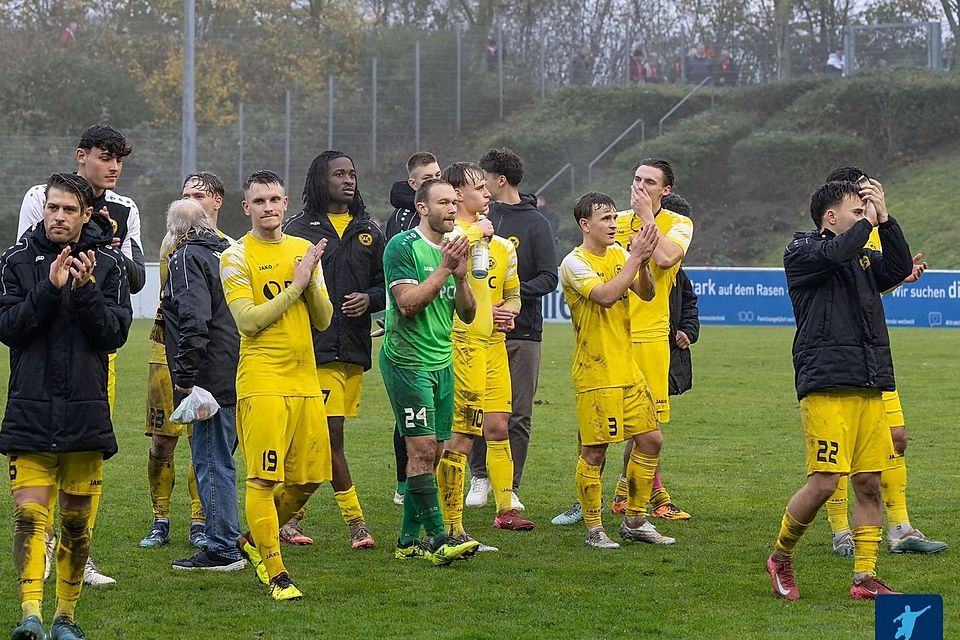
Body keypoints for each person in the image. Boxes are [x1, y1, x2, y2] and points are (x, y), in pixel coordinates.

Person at [766, 179, 912, 601]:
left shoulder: (863, 257)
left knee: (868, 482)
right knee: (826, 482)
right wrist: (868, 225)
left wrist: (886, 221)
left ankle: (864, 578)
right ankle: (781, 556)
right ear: (831, 217)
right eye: (856, 210)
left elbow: (899, 269)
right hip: (826, 382)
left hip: (869, 381)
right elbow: (836, 251)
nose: (863, 216)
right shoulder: (803, 251)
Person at [1, 173, 132, 640]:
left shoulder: (109, 265)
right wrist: (50, 288)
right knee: (29, 518)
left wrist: (84, 289)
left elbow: (113, 335)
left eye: (69, 210)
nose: (59, 216)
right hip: (30, 411)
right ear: (44, 209)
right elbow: (10, 328)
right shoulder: (16, 261)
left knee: (75, 526)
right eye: (53, 208)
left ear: (84, 216)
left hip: (85, 413)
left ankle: (65, 619)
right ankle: (30, 615)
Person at [18, 123, 145, 587]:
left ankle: (78, 550)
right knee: (40, 446)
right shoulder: (40, 196)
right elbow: (27, 260)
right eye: (105, 156)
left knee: (86, 449)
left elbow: (134, 277)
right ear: (80, 156)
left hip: (92, 344)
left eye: (119, 159)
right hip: (45, 343)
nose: (114, 166)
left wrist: (105, 252)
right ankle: (44, 546)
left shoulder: (125, 208)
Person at [552, 159, 694, 526]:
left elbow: (664, 258)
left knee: (647, 429)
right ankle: (588, 502)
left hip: (649, 336)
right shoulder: (614, 221)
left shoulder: (677, 223)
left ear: (665, 190)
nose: (640, 186)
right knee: (594, 428)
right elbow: (595, 261)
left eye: (650, 181)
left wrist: (647, 220)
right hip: (607, 341)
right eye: (636, 179)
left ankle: (632, 500)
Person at [819, 167, 946, 557]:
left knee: (897, 437)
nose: (865, 204)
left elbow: (874, 283)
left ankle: (901, 528)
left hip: (874, 361)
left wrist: (899, 278)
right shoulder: (826, 241)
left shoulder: (870, 230)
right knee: (838, 455)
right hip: (839, 362)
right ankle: (841, 531)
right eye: (858, 197)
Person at [220, 170, 334, 601]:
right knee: (264, 479)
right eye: (258, 201)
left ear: (285, 203)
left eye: (274, 199)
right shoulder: (235, 256)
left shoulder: (304, 250)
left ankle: (253, 538)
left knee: (310, 478)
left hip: (305, 380)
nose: (268, 207)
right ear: (246, 208)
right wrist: (295, 286)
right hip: (263, 380)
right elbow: (248, 322)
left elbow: (323, 320)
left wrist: (310, 280)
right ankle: (275, 571)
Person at [281, 151, 384, 549]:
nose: (348, 180)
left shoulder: (370, 231)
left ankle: (288, 519)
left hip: (353, 351)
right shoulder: (298, 230)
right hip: (315, 350)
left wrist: (370, 299)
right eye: (339, 173)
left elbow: (384, 283)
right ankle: (356, 524)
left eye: (352, 173)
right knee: (330, 440)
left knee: (317, 443)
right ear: (319, 180)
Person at [381, 178, 481, 564]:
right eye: (443, 203)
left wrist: (460, 276)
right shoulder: (402, 247)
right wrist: (443, 269)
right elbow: (406, 304)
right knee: (420, 449)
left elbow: (468, 314)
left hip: (442, 361)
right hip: (407, 361)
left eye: (455, 202)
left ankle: (407, 541)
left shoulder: (455, 249)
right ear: (422, 208)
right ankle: (440, 538)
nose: (452, 209)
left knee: (435, 452)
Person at [436, 162, 533, 549]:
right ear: (458, 195)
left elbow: (513, 293)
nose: (487, 193)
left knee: (498, 425)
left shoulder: (502, 246)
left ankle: (505, 507)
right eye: (479, 188)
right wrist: (478, 231)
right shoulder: (449, 236)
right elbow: (448, 267)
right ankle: (452, 523)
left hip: (493, 345)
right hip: (460, 344)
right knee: (462, 433)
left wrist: (510, 310)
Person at [140, 172, 227, 551]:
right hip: (165, 353)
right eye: (186, 194)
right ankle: (160, 518)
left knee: (202, 442)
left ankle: (199, 518)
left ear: (218, 201)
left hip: (206, 357)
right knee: (162, 441)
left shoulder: (230, 247)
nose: (191, 201)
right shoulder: (172, 244)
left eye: (200, 195)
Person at [468, 148, 558, 511]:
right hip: (476, 332)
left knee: (517, 412)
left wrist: (513, 297)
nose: (482, 188)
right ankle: (479, 477)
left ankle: (511, 483)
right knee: (475, 407)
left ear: (499, 179)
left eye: (484, 179)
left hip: (521, 332)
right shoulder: (475, 220)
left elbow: (549, 277)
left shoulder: (536, 223)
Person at [161, 198, 245, 571]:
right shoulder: (229, 252)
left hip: (210, 376)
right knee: (224, 459)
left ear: (175, 230)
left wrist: (184, 377)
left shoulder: (185, 258)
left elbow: (194, 319)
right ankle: (231, 536)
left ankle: (223, 547)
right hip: (240, 368)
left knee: (211, 462)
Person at [384, 151, 442, 506]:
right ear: (414, 186)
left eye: (439, 174)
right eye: (428, 177)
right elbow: (399, 286)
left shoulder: (449, 224)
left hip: (442, 340)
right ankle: (405, 482)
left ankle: (417, 528)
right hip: (409, 340)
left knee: (439, 434)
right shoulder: (403, 225)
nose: (435, 179)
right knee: (410, 424)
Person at [660, 193, 699, 397]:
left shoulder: (677, 271)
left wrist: (687, 331)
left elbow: (688, 303)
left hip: (666, 355)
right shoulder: (627, 257)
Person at [386, 152, 442, 240]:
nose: (435, 181)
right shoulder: (402, 219)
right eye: (427, 178)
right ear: (413, 184)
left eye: (438, 175)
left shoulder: (448, 206)